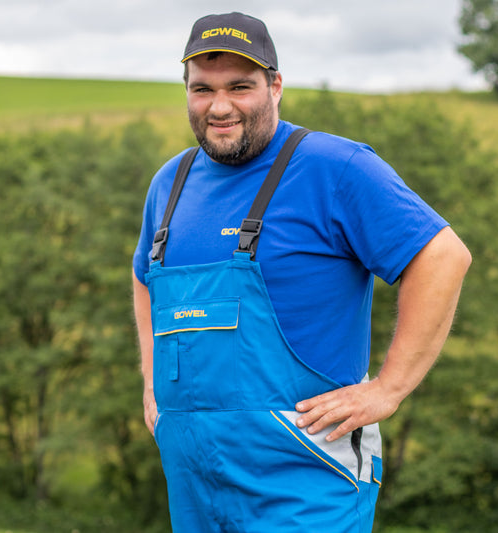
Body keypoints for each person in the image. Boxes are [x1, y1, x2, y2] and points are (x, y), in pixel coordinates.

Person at [132, 11, 472, 533]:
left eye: (240, 86)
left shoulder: (335, 168)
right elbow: (144, 278)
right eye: (202, 89)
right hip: (194, 479)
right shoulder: (169, 184)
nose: (219, 106)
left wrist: (388, 388)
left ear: (276, 86)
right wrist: (152, 383)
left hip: (304, 479)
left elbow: (443, 256)